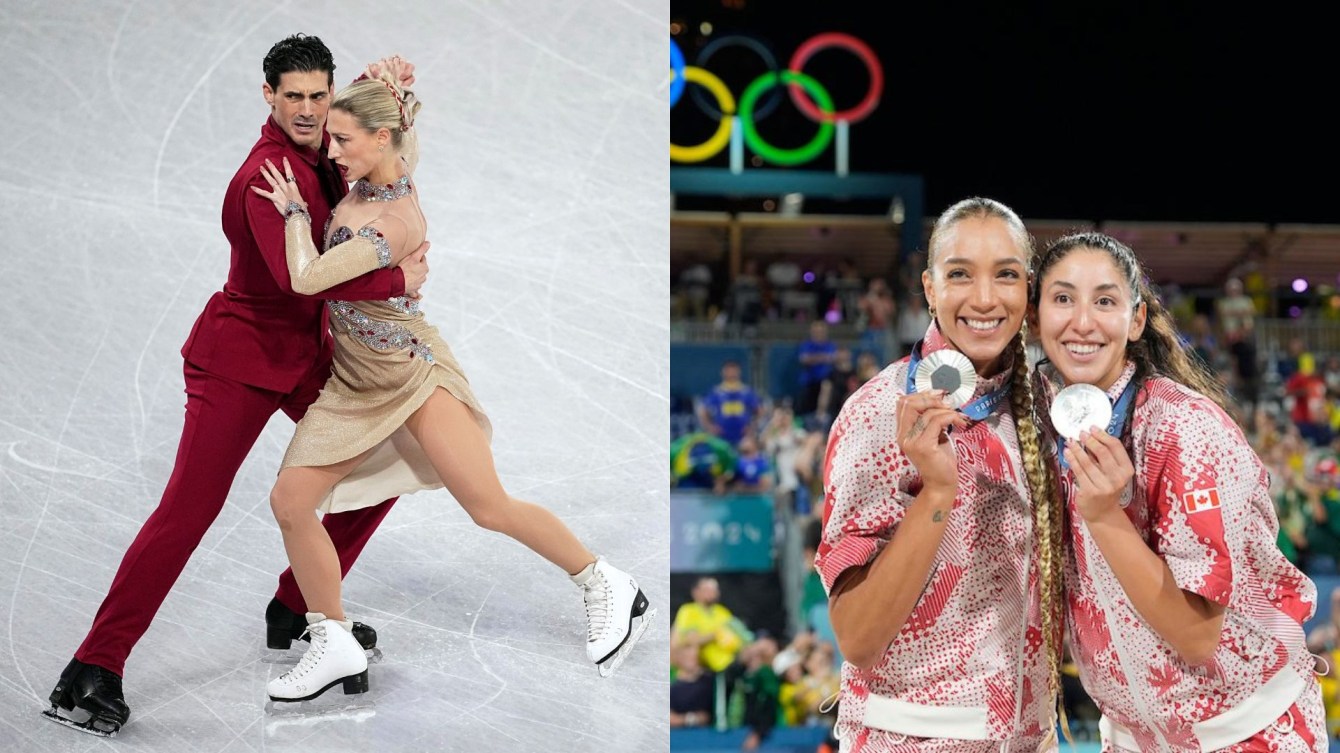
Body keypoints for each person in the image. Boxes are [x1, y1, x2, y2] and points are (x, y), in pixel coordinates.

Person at [42, 34, 427, 738]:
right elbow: (300, 277)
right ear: (268, 97)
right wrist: (398, 277)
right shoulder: (265, 174)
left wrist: (389, 89)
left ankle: (298, 605)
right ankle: (93, 666)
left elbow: (378, 152)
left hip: (303, 353)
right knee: (187, 512)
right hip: (238, 359)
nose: (309, 110)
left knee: (386, 459)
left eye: (320, 95)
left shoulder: (326, 148)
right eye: (294, 97)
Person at [246, 65, 654, 699]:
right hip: (355, 382)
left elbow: (307, 278)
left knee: (488, 507)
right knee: (292, 502)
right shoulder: (382, 160)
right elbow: (385, 118)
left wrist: (296, 214)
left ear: (380, 140)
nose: (331, 151)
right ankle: (331, 639)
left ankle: (604, 582)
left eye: (343, 141)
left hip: (412, 376)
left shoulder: (397, 221)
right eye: (331, 137)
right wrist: (378, 78)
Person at [1032, 231, 1324, 750]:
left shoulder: (1184, 428)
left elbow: (1196, 637)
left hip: (1245, 733)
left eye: (1105, 300)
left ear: (1136, 319)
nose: (1082, 321)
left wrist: (1103, 517)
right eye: (1062, 299)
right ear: (1035, 319)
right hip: (1133, 737)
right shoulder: (1042, 425)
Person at [815, 197, 1062, 749]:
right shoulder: (879, 413)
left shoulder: (1049, 409)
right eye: (959, 275)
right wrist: (938, 492)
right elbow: (857, 636)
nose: (984, 298)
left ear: (1029, 289)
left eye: (1006, 275)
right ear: (929, 288)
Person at [697, 359, 764, 448]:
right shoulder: (717, 392)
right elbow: (702, 411)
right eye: (728, 371)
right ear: (723, 373)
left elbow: (760, 410)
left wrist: (752, 427)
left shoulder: (746, 391)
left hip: (742, 437)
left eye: (734, 371)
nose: (731, 374)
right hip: (722, 437)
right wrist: (710, 427)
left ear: (739, 373)